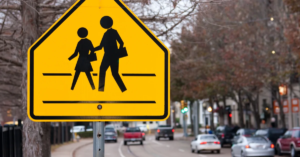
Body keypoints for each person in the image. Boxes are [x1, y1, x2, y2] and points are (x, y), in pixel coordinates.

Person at [94, 16, 127, 92]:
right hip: (114, 56)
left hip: (108, 56)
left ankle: (101, 90)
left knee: (102, 70)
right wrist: (117, 52)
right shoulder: (111, 32)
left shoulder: (107, 34)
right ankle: (123, 89)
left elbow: (100, 47)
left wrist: (93, 49)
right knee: (115, 73)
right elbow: (121, 43)